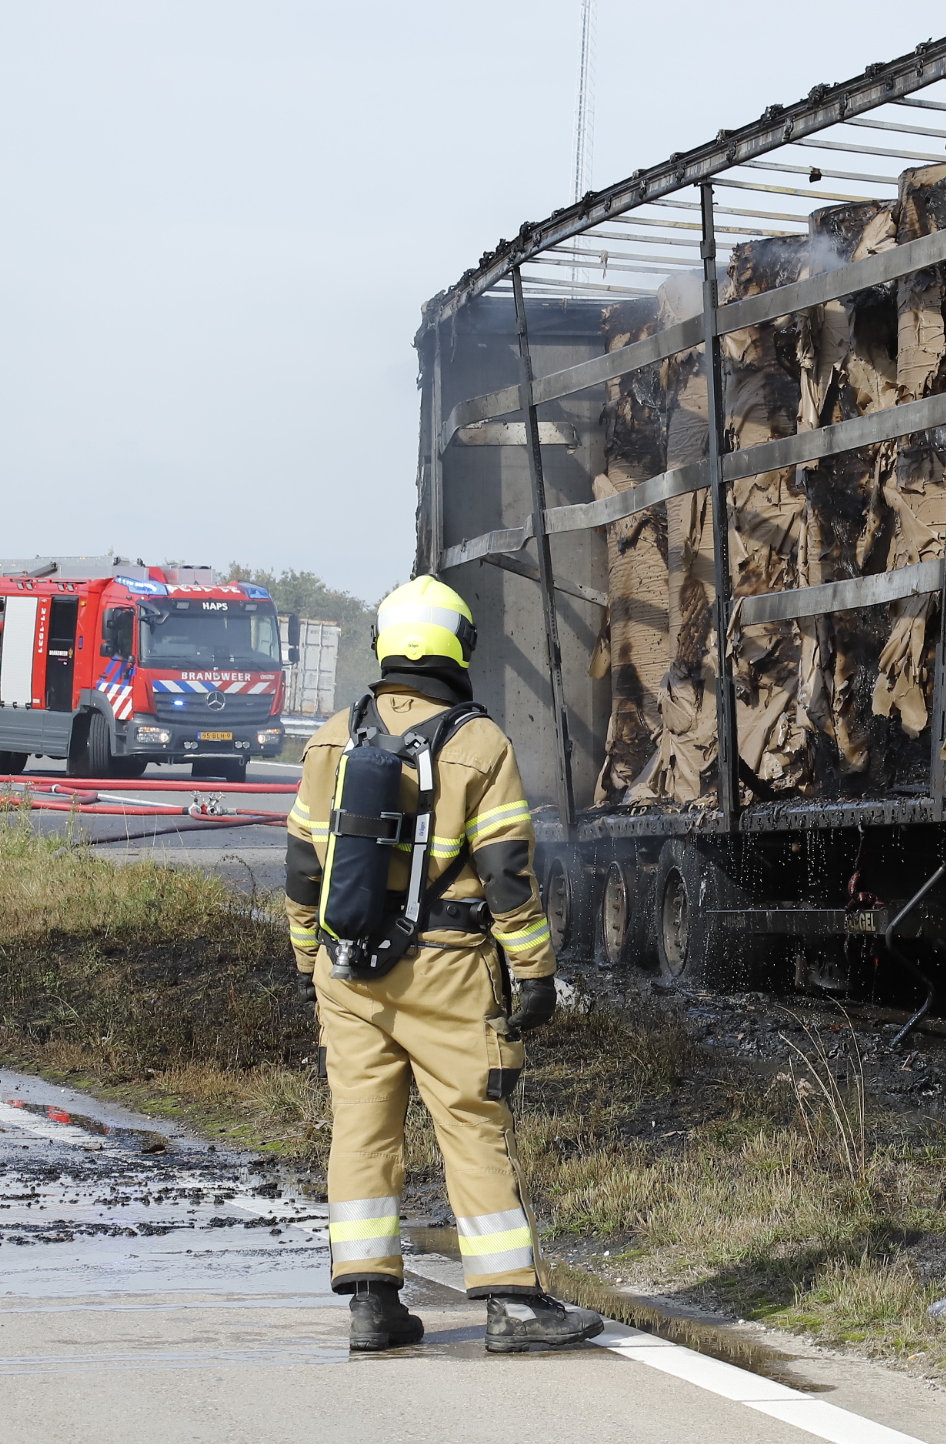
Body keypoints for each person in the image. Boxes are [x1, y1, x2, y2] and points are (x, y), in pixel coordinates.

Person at [285, 575, 602, 1354]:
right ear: (458, 646)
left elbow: (301, 866)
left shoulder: (333, 736)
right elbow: (506, 875)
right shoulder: (477, 742)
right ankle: (513, 1306)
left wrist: (305, 958)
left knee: (361, 1130)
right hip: (447, 970)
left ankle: (371, 1306)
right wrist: (533, 972)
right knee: (470, 1125)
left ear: (386, 646)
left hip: (347, 973)